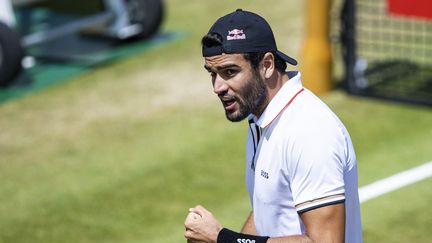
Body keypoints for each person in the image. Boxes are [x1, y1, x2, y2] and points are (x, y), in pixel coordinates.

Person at [184, 9, 362, 243]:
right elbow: (268, 208)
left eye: (230, 72)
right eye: (213, 74)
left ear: (267, 65)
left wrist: (223, 239)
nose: (218, 87)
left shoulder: (309, 131)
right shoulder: (260, 117)